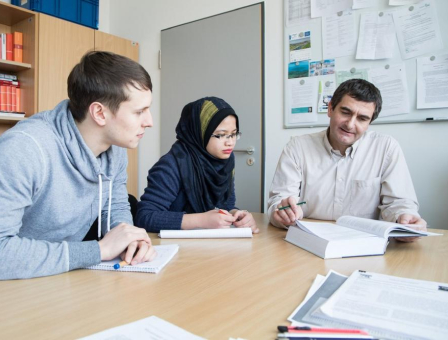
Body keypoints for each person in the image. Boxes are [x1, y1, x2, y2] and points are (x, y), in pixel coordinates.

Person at [0, 51, 157, 280]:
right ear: (99, 113)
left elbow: (115, 208)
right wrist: (99, 250)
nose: (149, 122)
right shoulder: (23, 149)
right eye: (139, 112)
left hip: (50, 277)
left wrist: (130, 241)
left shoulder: (114, 148)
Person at [268, 79, 426, 242]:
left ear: (369, 123)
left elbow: (399, 203)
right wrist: (282, 213)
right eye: (345, 112)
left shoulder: (386, 148)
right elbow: (278, 201)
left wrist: (405, 218)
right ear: (330, 109)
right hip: (308, 241)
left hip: (363, 243)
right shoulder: (297, 147)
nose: (350, 124)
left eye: (362, 118)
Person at [136, 97, 258, 233]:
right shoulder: (172, 164)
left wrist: (237, 215)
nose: (230, 142)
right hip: (173, 247)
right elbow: (145, 217)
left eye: (234, 134)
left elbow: (227, 205)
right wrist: (201, 220)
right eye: (221, 135)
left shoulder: (225, 160)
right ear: (200, 133)